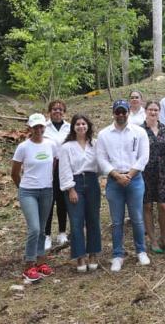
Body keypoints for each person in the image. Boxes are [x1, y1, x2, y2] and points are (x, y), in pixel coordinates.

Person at [95, 99, 151, 272]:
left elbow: (144, 156)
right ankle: (118, 254)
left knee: (137, 218)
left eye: (123, 111)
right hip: (114, 181)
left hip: (134, 179)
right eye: (117, 112)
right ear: (113, 113)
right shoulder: (104, 134)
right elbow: (101, 158)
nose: (120, 115)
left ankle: (141, 250)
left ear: (128, 112)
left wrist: (130, 175)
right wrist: (116, 175)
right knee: (117, 220)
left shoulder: (139, 132)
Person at [12, 113, 58, 283]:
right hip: (28, 191)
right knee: (34, 228)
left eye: (41, 127)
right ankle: (29, 263)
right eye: (35, 127)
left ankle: (41, 261)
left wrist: (46, 180)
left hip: (46, 190)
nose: (38, 130)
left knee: (43, 229)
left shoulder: (51, 145)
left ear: (44, 127)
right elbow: (14, 172)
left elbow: (53, 164)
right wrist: (23, 188)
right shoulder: (23, 147)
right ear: (30, 128)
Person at [58, 114, 101, 272]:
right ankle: (80, 256)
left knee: (93, 219)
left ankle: (93, 254)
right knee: (76, 222)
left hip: (91, 182)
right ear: (73, 127)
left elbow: (101, 164)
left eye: (84, 124)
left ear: (88, 126)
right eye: (78, 124)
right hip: (75, 184)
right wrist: (71, 189)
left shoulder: (94, 144)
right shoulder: (67, 147)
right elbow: (64, 169)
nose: (81, 126)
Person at [140, 101, 165, 254]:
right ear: (145, 111)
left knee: (164, 206)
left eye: (156, 110)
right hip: (145, 173)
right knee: (147, 206)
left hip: (163, 173)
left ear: (159, 111)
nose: (153, 112)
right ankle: (153, 239)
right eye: (150, 110)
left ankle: (164, 236)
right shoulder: (140, 130)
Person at [42, 100, 69, 250]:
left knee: (62, 200)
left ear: (64, 112)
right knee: (48, 201)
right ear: (49, 111)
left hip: (64, 167)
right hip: (47, 168)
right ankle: (46, 235)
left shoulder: (69, 127)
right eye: (54, 109)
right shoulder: (44, 127)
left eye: (60, 109)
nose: (57, 111)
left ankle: (62, 232)